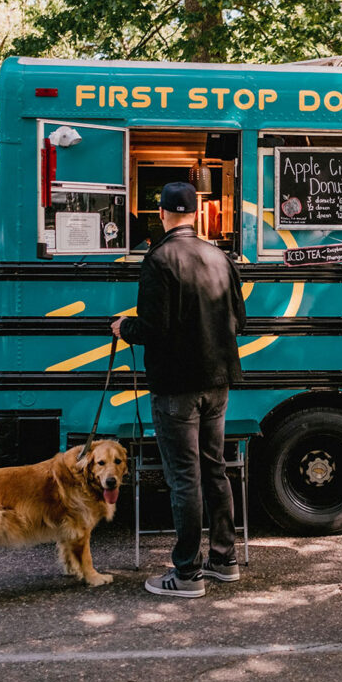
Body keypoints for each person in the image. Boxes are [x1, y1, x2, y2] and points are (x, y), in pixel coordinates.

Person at [111, 181, 246, 599]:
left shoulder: (159, 259)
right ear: (195, 215)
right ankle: (224, 559)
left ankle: (186, 573)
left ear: (163, 215)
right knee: (215, 469)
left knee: (184, 477)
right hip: (218, 381)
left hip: (176, 387)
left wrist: (124, 327)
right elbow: (239, 319)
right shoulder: (219, 256)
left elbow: (154, 327)